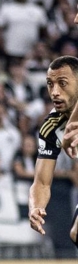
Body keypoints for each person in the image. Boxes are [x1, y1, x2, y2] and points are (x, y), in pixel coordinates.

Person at [30, 56, 78, 249]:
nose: (55, 92)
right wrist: (36, 207)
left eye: (62, 83)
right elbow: (41, 182)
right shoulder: (51, 126)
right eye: (50, 84)